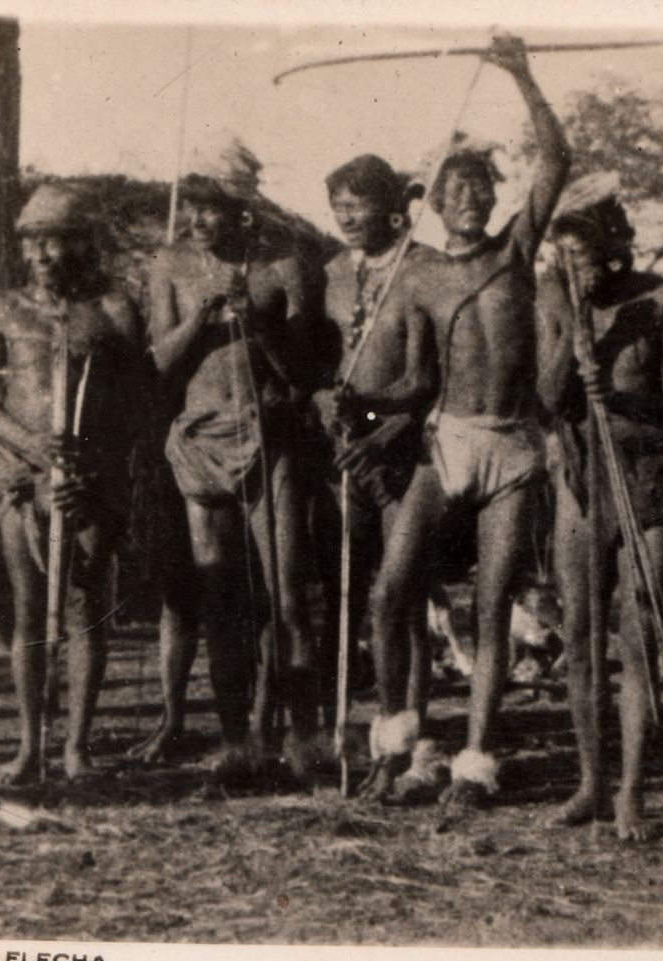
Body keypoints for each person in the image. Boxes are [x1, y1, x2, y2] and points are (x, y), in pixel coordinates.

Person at [373, 33, 569, 807]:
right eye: (453, 191)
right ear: (430, 201)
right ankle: (403, 744)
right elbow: (418, 375)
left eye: (479, 188)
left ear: (493, 197)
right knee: (392, 592)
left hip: (513, 445)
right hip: (445, 439)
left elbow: (555, 162)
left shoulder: (516, 253)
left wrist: (521, 76)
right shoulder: (413, 272)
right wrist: (369, 408)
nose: (468, 200)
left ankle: (477, 761)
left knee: (492, 606)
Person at [145, 140, 329, 778]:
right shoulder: (168, 266)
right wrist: (200, 318)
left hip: (269, 435)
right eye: (193, 206)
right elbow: (158, 366)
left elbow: (307, 370)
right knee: (220, 594)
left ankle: (303, 739)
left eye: (213, 208)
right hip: (198, 440)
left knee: (287, 593)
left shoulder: (286, 266)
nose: (199, 220)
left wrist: (260, 323)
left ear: (243, 211)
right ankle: (237, 743)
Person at [0, 184, 147, 783]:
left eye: (56, 240)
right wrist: (30, 446)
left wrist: (91, 470)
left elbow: (136, 409)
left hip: (90, 483)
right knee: (26, 609)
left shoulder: (113, 310)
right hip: (20, 478)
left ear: (81, 244)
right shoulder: (5, 308)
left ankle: (77, 747)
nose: (42, 253)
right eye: (33, 241)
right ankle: (29, 744)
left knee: (84, 606)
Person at [536, 187, 663, 839]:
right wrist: (574, 346)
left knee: (637, 635)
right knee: (578, 638)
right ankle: (589, 783)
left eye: (585, 257)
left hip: (648, 476)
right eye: (563, 256)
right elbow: (545, 398)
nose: (574, 270)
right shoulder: (551, 297)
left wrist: (622, 399)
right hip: (581, 478)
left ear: (614, 253)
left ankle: (631, 789)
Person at [318, 153, 443, 798]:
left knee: (404, 602)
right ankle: (371, 739)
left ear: (392, 206)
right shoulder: (335, 274)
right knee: (359, 597)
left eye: (358, 206)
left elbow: (428, 379)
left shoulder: (421, 270)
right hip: (348, 454)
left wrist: (381, 427)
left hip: (405, 452)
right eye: (338, 206)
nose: (347, 218)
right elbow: (323, 360)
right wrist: (327, 405)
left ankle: (416, 748)